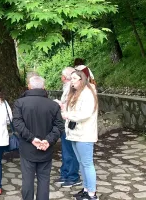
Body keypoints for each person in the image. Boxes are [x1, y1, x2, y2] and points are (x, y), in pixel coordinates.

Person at [13, 76, 64, 200]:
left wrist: (32, 139)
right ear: (43, 87)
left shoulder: (20, 103)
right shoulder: (53, 105)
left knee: (27, 180)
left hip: (27, 148)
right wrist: (48, 140)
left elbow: (18, 124)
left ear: (29, 87)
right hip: (46, 148)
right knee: (44, 180)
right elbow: (59, 126)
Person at [63, 70, 99, 200]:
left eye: (74, 78)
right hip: (75, 133)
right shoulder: (77, 93)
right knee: (81, 162)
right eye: (70, 78)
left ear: (81, 79)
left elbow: (85, 113)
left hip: (84, 134)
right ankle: (86, 189)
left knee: (87, 163)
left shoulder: (88, 93)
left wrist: (68, 115)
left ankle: (92, 194)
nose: (71, 80)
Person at [54, 67, 81, 188]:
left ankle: (73, 177)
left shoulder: (75, 91)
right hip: (65, 123)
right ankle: (65, 173)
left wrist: (61, 105)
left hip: (71, 124)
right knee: (66, 150)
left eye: (74, 78)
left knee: (70, 151)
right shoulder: (68, 88)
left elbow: (73, 107)